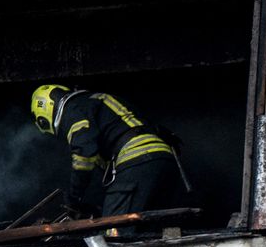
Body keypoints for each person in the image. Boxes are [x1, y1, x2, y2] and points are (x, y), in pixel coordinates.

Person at [31, 84, 180, 218]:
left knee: (114, 228)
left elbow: (84, 153)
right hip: (163, 159)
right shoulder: (97, 101)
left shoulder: (72, 109)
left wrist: (74, 197)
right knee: (149, 227)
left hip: (136, 160)